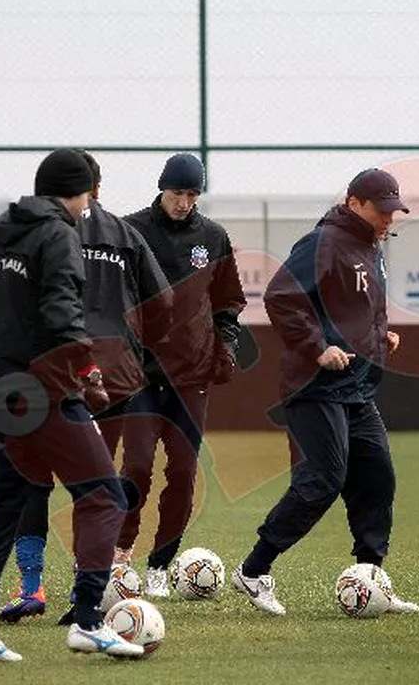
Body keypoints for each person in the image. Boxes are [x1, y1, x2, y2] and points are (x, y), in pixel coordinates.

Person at [0, 149, 141, 661]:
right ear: (75, 192)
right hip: (48, 391)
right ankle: (87, 620)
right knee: (105, 495)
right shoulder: (59, 234)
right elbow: (63, 312)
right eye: (86, 195)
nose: (88, 206)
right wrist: (87, 372)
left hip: (2, 393)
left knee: (2, 511)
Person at [231, 167, 419, 617]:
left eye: (394, 211)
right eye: (382, 209)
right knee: (324, 478)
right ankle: (253, 570)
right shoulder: (324, 242)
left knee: (377, 477)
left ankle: (371, 579)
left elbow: (358, 309)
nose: (389, 218)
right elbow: (281, 296)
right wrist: (317, 349)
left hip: (357, 389)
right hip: (315, 386)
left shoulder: (373, 247)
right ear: (355, 203)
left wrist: (382, 337)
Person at [0, 152, 173, 625]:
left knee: (33, 485)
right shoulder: (125, 234)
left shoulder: (33, 234)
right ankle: (83, 596)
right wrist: (134, 349)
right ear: (98, 186)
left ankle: (31, 589)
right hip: (109, 380)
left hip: (45, 377)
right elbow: (163, 303)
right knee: (92, 488)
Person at [117, 153, 245, 597]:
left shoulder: (212, 237)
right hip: (139, 378)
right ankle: (119, 555)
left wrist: (225, 345)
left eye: (192, 195)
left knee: (184, 472)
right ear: (162, 189)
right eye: (178, 193)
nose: (185, 203)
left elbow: (229, 303)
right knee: (135, 467)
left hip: (191, 379)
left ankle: (159, 566)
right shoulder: (130, 231)